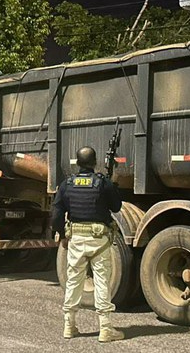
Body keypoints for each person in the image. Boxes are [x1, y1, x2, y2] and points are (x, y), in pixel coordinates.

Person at [51, 146, 124, 343]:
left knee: (73, 281)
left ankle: (69, 326)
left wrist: (62, 235)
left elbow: (56, 215)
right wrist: (113, 184)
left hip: (76, 239)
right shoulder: (102, 182)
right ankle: (105, 329)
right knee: (102, 282)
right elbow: (117, 207)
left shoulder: (67, 184)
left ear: (77, 163)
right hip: (99, 240)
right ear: (94, 163)